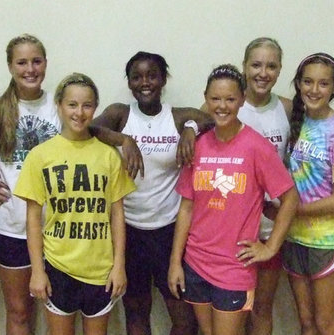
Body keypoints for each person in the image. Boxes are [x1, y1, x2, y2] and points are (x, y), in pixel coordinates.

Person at [0, 34, 144, 335]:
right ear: (9, 66)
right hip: (14, 226)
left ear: (46, 64)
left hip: (68, 236)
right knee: (19, 312)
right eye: (21, 62)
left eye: (37, 61)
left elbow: (89, 132)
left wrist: (125, 140)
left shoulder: (59, 107)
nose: (30, 68)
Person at [168, 64, 299, 335]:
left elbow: (290, 197)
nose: (222, 106)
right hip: (195, 262)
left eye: (230, 99)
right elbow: (187, 208)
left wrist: (270, 247)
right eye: (215, 99)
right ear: (206, 98)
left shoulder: (256, 146)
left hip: (233, 268)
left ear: (241, 99)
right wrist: (175, 262)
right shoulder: (198, 145)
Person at [92, 51, 211, 335]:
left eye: (152, 75)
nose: (145, 82)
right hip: (129, 230)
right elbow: (92, 128)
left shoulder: (178, 116)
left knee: (185, 318)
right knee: (136, 313)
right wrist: (124, 139)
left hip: (169, 232)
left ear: (163, 79)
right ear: (130, 82)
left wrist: (191, 130)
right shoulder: (121, 114)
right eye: (137, 77)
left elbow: (211, 119)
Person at [15, 73, 136, 335]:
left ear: (95, 108)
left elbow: (117, 214)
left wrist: (119, 266)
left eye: (87, 105)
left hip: (100, 269)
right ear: (59, 106)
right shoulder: (40, 156)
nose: (79, 112)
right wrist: (37, 270)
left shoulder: (108, 156)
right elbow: (33, 218)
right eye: (72, 104)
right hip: (59, 266)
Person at [282, 53, 334, 335]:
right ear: (298, 84)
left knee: (327, 325)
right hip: (294, 238)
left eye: (323, 84)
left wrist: (288, 210)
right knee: (306, 324)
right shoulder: (297, 120)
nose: (314, 90)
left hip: (327, 243)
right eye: (307, 82)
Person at [236, 37, 293, 335]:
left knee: (261, 307)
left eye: (271, 66)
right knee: (233, 307)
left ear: (280, 69)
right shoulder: (227, 104)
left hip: (271, 226)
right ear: (244, 67)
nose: (263, 72)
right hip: (233, 227)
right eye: (256, 64)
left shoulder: (287, 108)